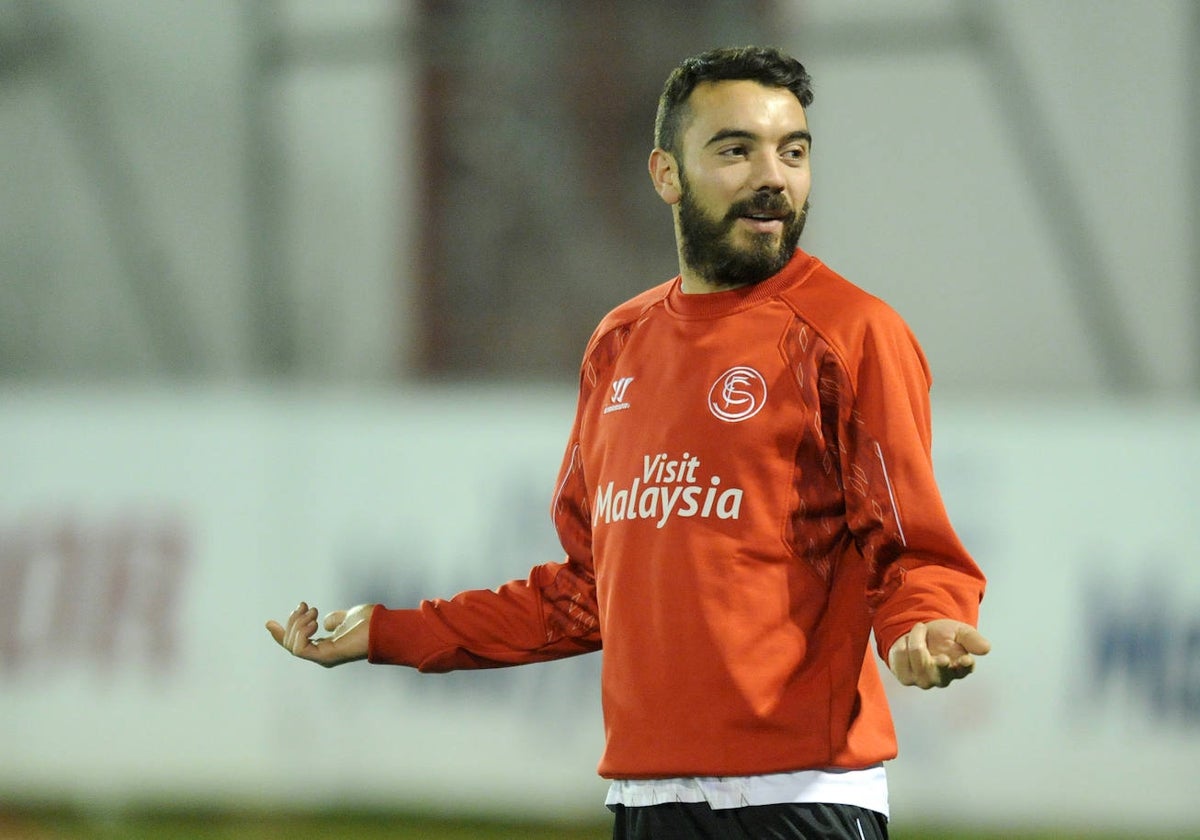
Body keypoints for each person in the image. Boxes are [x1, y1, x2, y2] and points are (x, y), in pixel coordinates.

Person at [267, 45, 989, 840]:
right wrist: (391, 632)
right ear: (665, 174)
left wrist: (922, 625)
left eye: (793, 151)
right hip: (646, 804)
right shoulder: (620, 342)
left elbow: (914, 548)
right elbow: (586, 591)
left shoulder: (852, 334)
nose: (772, 177)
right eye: (735, 150)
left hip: (800, 800)